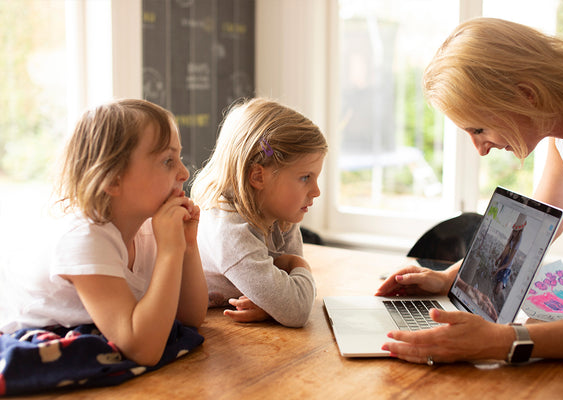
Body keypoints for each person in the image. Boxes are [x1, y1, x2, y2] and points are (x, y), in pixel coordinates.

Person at [376, 17, 563, 364]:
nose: (479, 149)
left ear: (527, 95)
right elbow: (532, 234)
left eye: (478, 128)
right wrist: (451, 278)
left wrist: (501, 341)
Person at [0, 99, 209, 367]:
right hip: (24, 334)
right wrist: (169, 251)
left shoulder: (149, 227)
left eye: (179, 157)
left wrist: (187, 246)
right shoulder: (85, 236)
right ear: (112, 179)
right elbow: (143, 350)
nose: (184, 172)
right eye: (168, 160)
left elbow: (190, 317)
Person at [190, 98, 327, 328]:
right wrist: (298, 264)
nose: (316, 191)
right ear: (258, 177)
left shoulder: (281, 214)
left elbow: (295, 292)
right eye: (305, 177)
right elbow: (296, 309)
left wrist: (272, 305)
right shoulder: (229, 231)